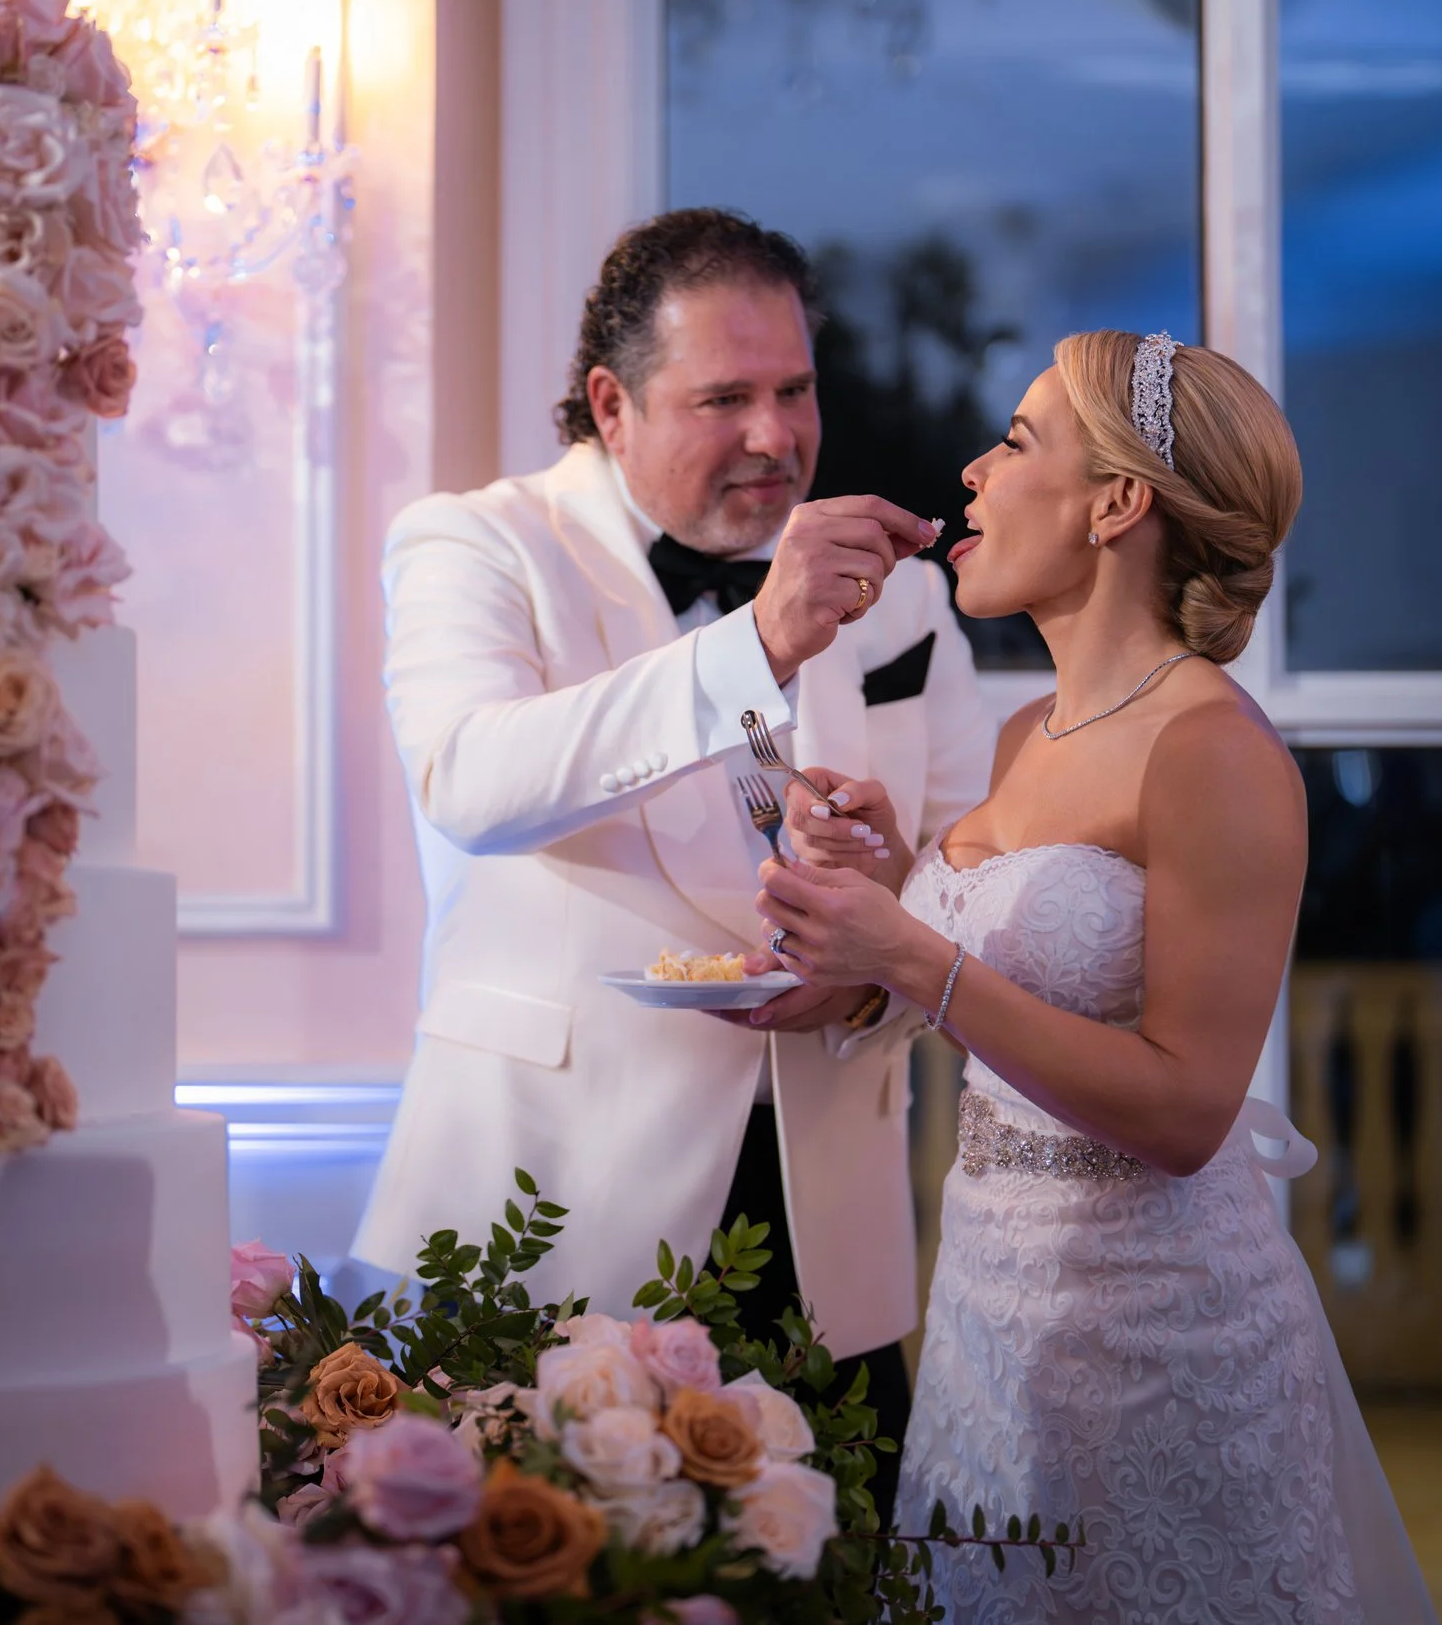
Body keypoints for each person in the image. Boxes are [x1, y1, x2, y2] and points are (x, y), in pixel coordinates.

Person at [753, 331, 1435, 1620]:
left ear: (1117, 502)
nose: (970, 472)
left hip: (1155, 1337)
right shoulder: (1030, 728)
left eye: (1013, 442)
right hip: (984, 1308)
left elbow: (1185, 1110)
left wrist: (909, 946)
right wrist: (887, 877)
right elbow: (1003, 973)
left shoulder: (1213, 752)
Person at [355, 210, 1000, 1489]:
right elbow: (469, 780)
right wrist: (750, 645)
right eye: (724, 397)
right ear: (611, 400)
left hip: (824, 1225)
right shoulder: (478, 541)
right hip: (546, 1203)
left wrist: (875, 958)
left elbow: (959, 869)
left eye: (795, 388)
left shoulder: (905, 598)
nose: (776, 434)